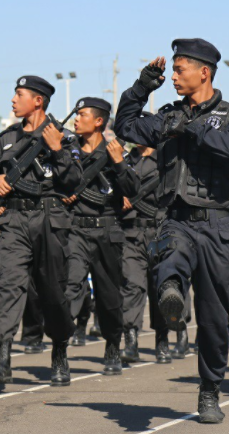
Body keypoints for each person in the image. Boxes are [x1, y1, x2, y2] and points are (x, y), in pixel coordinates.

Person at [114, 38, 229, 423]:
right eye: (171, 71)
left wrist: (190, 130)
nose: (173, 77)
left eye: (179, 70)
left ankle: (209, 391)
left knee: (215, 319)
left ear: (203, 72)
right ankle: (172, 295)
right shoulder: (168, 115)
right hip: (177, 217)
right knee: (170, 256)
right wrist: (141, 88)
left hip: (219, 223)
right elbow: (125, 125)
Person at [0, 76, 80, 386]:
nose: (13, 99)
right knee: (8, 284)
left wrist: (58, 150)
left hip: (51, 220)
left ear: (38, 101)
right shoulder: (6, 139)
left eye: (19, 94)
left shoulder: (64, 137)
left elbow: (74, 181)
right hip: (14, 220)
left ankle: (59, 350)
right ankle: (2, 356)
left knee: (53, 291)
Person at [63, 98, 139, 376]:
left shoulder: (114, 151)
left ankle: (112, 346)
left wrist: (118, 163)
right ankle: (60, 349)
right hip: (75, 230)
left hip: (108, 231)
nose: (76, 119)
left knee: (109, 296)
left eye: (82, 114)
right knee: (69, 288)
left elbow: (133, 188)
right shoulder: (67, 150)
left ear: (98, 121)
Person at [119, 134, 192, 364]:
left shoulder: (168, 160)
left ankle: (163, 340)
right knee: (132, 285)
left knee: (162, 286)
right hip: (132, 233)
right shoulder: (125, 160)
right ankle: (131, 340)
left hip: (161, 232)